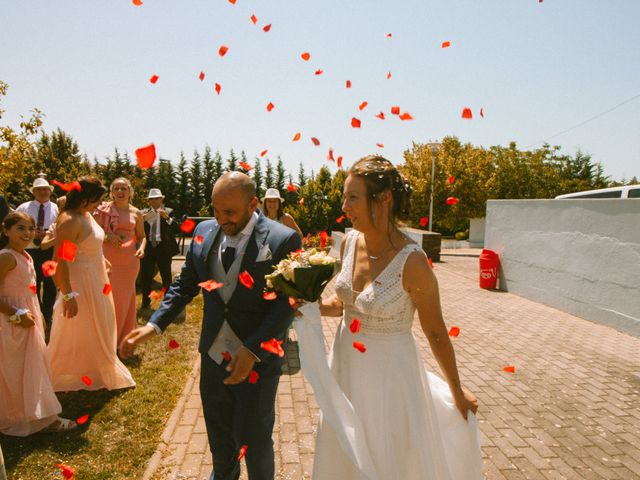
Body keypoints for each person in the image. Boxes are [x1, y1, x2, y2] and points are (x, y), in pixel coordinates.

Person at [309, 155, 483, 479]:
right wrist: (311, 305)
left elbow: (435, 332)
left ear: (384, 198)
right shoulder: (348, 243)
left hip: (389, 379)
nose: (344, 206)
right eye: (344, 197)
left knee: (385, 453)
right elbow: (342, 303)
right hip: (346, 365)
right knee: (344, 452)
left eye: (353, 197)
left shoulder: (413, 262)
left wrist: (457, 392)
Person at [120, 172, 301, 480]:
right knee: (220, 441)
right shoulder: (204, 231)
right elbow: (185, 283)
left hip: (257, 362)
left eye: (229, 212)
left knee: (255, 441)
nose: (220, 219)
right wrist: (155, 325)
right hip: (213, 358)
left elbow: (287, 304)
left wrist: (253, 350)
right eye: (216, 210)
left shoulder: (282, 238)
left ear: (253, 204)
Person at [48, 176, 135, 392]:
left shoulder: (86, 215)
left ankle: (99, 369)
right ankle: (67, 373)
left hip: (97, 279)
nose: (99, 203)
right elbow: (60, 262)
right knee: (81, 329)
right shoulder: (69, 221)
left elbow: (91, 244)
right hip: (80, 283)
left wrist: (102, 260)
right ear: (84, 197)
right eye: (96, 199)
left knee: (102, 324)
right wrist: (68, 295)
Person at [0, 212, 76, 435]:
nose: (27, 233)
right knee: (15, 368)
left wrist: (38, 312)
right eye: (20, 228)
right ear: (6, 230)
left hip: (29, 315)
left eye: (30, 229)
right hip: (11, 319)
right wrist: (16, 313)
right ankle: (39, 417)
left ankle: (36, 413)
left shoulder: (26, 255)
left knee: (33, 365)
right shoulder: (6, 257)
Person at [94, 178, 146, 345]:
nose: (120, 191)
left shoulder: (136, 213)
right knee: (107, 296)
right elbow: (92, 230)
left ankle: (124, 338)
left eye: (123, 188)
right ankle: (106, 339)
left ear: (130, 191)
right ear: (112, 191)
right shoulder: (102, 210)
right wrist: (108, 235)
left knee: (125, 298)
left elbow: (142, 236)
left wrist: (142, 248)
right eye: (116, 188)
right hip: (107, 259)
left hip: (129, 261)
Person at [16, 176, 58, 327]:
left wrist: (47, 234)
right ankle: (37, 313)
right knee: (32, 284)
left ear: (49, 191)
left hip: (50, 251)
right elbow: (17, 226)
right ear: (34, 192)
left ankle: (47, 315)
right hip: (30, 250)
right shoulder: (23, 208)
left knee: (50, 285)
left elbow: (60, 228)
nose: (42, 192)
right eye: (39, 189)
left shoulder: (56, 208)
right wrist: (33, 233)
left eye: (45, 189)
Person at [139, 188, 179, 310]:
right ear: (148, 201)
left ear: (162, 199)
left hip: (163, 248)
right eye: (152, 199)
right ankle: (145, 301)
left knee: (166, 276)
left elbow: (177, 229)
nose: (155, 201)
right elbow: (137, 230)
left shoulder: (169, 211)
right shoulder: (142, 213)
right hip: (148, 247)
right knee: (145, 276)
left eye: (157, 198)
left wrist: (167, 218)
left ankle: (167, 303)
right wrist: (141, 220)